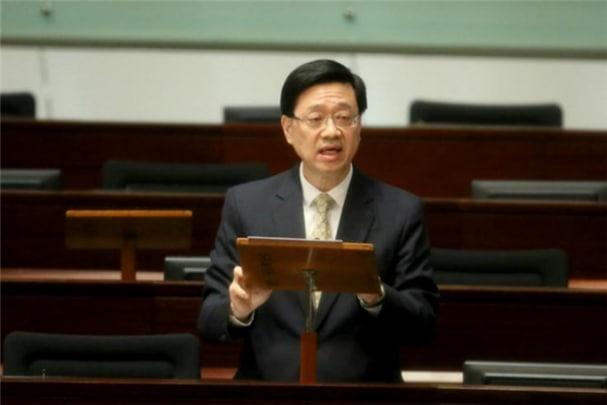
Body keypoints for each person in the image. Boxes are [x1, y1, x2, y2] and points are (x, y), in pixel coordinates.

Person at [198, 59, 438, 383]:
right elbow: (209, 320)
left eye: (344, 117)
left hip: (364, 398)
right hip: (268, 396)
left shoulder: (401, 211)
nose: (331, 131)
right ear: (288, 128)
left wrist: (377, 295)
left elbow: (424, 325)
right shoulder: (247, 205)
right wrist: (239, 310)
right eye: (315, 118)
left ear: (359, 127)